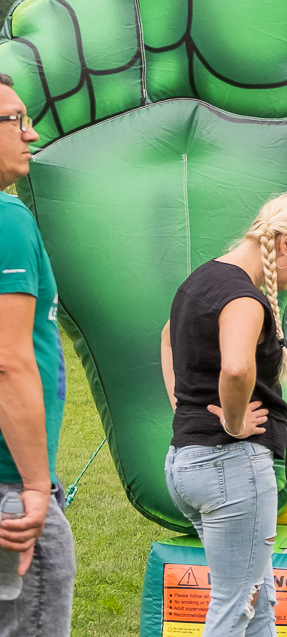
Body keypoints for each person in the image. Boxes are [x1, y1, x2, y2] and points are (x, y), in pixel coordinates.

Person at [162, 192, 287, 637]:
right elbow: (237, 367)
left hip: (186, 463)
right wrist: (234, 422)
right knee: (236, 603)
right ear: (285, 243)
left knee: (257, 600)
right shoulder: (244, 297)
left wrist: (182, 403)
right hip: (229, 467)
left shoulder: (201, 281)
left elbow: (166, 338)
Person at [0, 74, 71, 637]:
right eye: (16, 120)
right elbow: (8, 360)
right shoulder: (7, 219)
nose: (32, 133)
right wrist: (33, 486)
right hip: (12, 498)